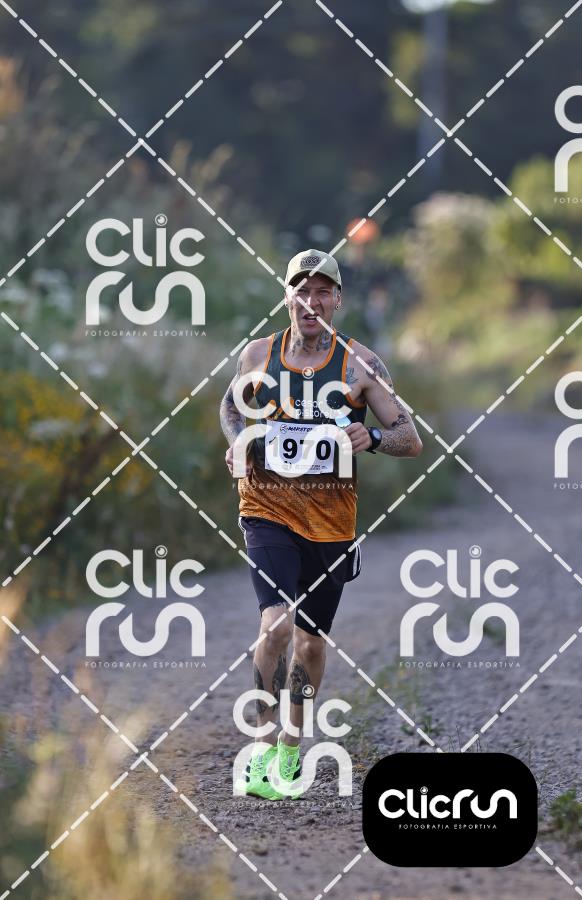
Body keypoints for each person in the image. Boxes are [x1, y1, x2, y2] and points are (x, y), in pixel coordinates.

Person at [219, 249, 422, 800]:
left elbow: (410, 438)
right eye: (301, 291)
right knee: (276, 626)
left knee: (309, 644)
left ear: (337, 299)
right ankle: (262, 746)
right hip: (266, 508)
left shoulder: (361, 365)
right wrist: (238, 441)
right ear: (287, 297)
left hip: (331, 522)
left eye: (322, 291)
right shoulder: (259, 354)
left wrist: (371, 437)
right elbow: (231, 408)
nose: (311, 302)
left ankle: (291, 744)